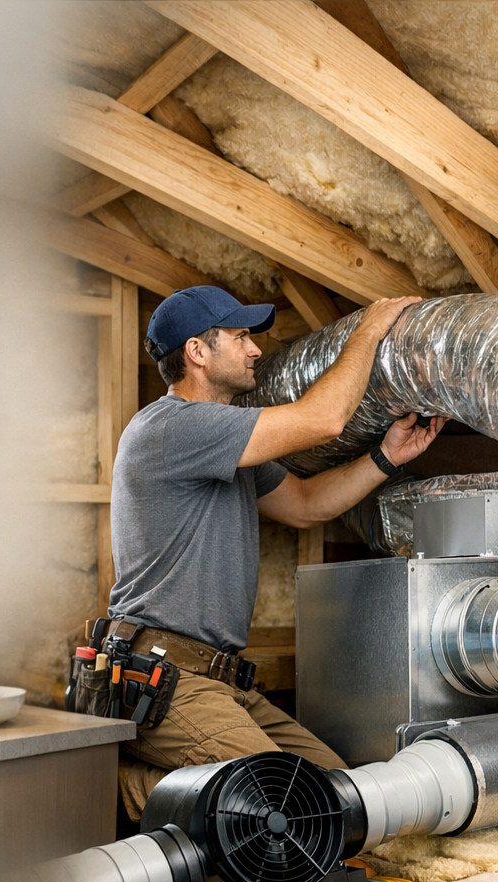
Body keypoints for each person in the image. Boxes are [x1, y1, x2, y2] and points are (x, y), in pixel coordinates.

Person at [108, 285, 445, 821]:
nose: (255, 349)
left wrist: (386, 457)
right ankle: (123, 790)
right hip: (168, 680)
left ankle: (179, 787)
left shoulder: (228, 445)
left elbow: (307, 505)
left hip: (219, 681)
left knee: (346, 796)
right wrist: (369, 330)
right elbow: (324, 420)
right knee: (287, 809)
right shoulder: (170, 427)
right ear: (198, 351)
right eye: (241, 337)